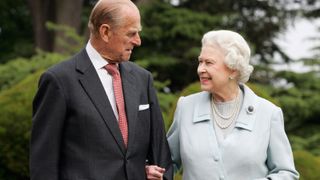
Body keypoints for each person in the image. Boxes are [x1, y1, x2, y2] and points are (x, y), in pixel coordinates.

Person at [30, 0, 173, 179]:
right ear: (105, 32)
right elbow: (43, 165)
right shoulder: (59, 80)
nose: (138, 41)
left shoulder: (143, 79)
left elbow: (161, 157)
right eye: (132, 33)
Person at [146, 30, 299, 180]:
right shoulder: (186, 107)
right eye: (200, 61)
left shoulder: (268, 113)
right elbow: (166, 163)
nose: (200, 69)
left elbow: (286, 173)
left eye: (209, 63)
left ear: (233, 69)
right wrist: (151, 171)